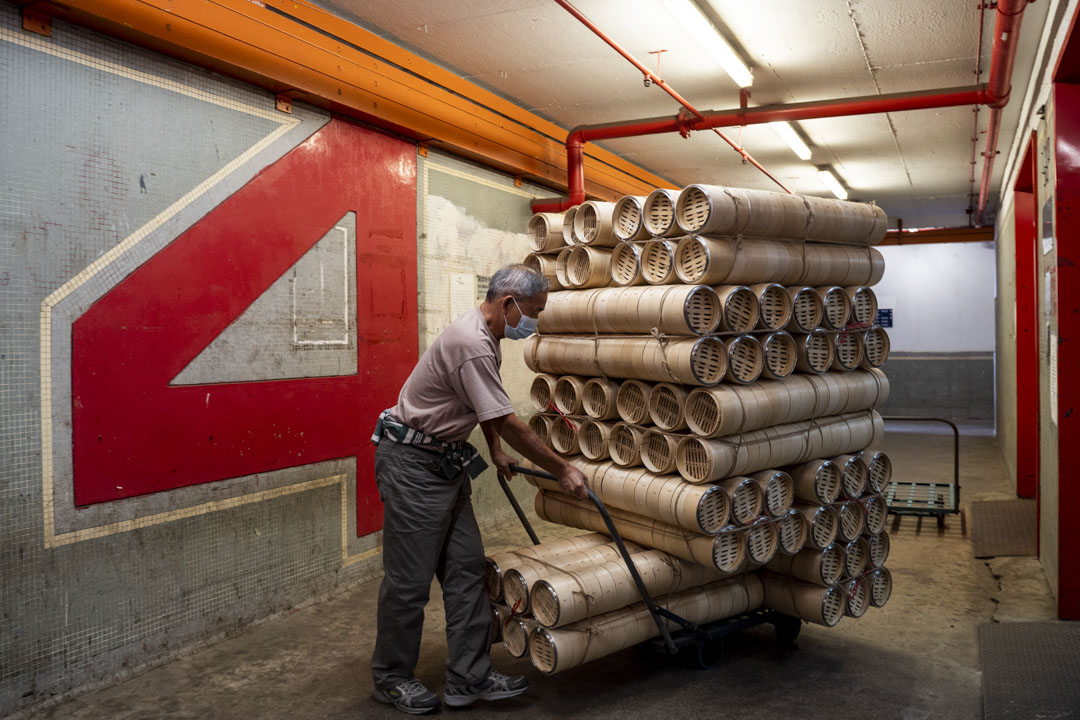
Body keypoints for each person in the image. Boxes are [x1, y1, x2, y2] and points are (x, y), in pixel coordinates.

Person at [370, 264, 589, 715]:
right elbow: (508, 421)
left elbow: (483, 410)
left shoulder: (486, 337)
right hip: (413, 468)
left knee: (467, 570)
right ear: (509, 304)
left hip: (444, 464)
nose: (535, 322)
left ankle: (468, 677)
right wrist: (563, 469)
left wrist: (494, 450)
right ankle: (391, 678)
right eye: (534, 312)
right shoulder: (472, 344)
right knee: (409, 583)